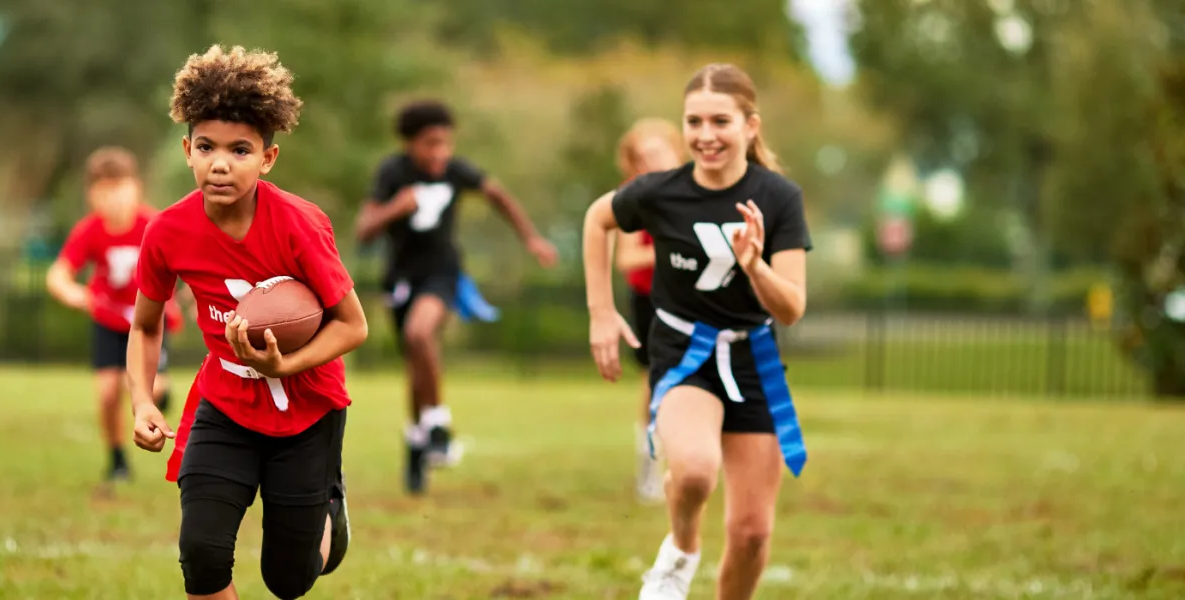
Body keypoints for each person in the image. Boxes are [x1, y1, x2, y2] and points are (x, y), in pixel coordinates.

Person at [125, 45, 369, 600]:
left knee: (289, 579)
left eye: (240, 150)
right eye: (207, 147)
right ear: (187, 151)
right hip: (226, 403)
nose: (220, 163)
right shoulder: (166, 232)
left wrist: (285, 361)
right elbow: (144, 325)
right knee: (203, 556)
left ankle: (330, 509)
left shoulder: (300, 224)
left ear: (268, 158)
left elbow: (353, 326)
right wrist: (142, 400)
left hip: (308, 408)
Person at [582, 63, 812, 600]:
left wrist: (755, 266)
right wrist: (600, 311)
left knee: (752, 533)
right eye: (694, 121)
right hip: (684, 351)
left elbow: (793, 308)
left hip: (753, 360)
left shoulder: (778, 198)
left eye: (720, 121)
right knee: (694, 472)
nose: (705, 135)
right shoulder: (661, 192)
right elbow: (597, 219)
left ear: (750, 126)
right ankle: (681, 550)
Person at [354, 100, 558, 495]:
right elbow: (364, 229)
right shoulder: (392, 172)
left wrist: (531, 237)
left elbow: (499, 196)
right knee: (417, 364)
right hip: (401, 279)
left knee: (420, 334)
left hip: (443, 274)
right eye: (431, 144)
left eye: (446, 144)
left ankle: (438, 425)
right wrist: (396, 207)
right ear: (410, 144)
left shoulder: (457, 171)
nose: (440, 153)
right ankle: (419, 440)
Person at [46, 146, 188, 483]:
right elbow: (58, 275)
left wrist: (184, 298)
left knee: (150, 392)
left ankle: (161, 396)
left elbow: (187, 264)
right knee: (109, 393)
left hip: (151, 320)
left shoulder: (154, 224)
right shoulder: (89, 231)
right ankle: (117, 459)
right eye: (105, 191)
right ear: (92, 194)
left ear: (136, 188)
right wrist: (74, 293)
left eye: (120, 188)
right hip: (109, 322)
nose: (114, 199)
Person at [612, 118, 689, 504]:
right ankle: (650, 459)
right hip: (651, 300)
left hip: (693, 297)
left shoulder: (699, 191)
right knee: (655, 379)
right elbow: (626, 258)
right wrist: (675, 247)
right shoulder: (632, 199)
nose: (653, 162)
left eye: (659, 151)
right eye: (643, 157)